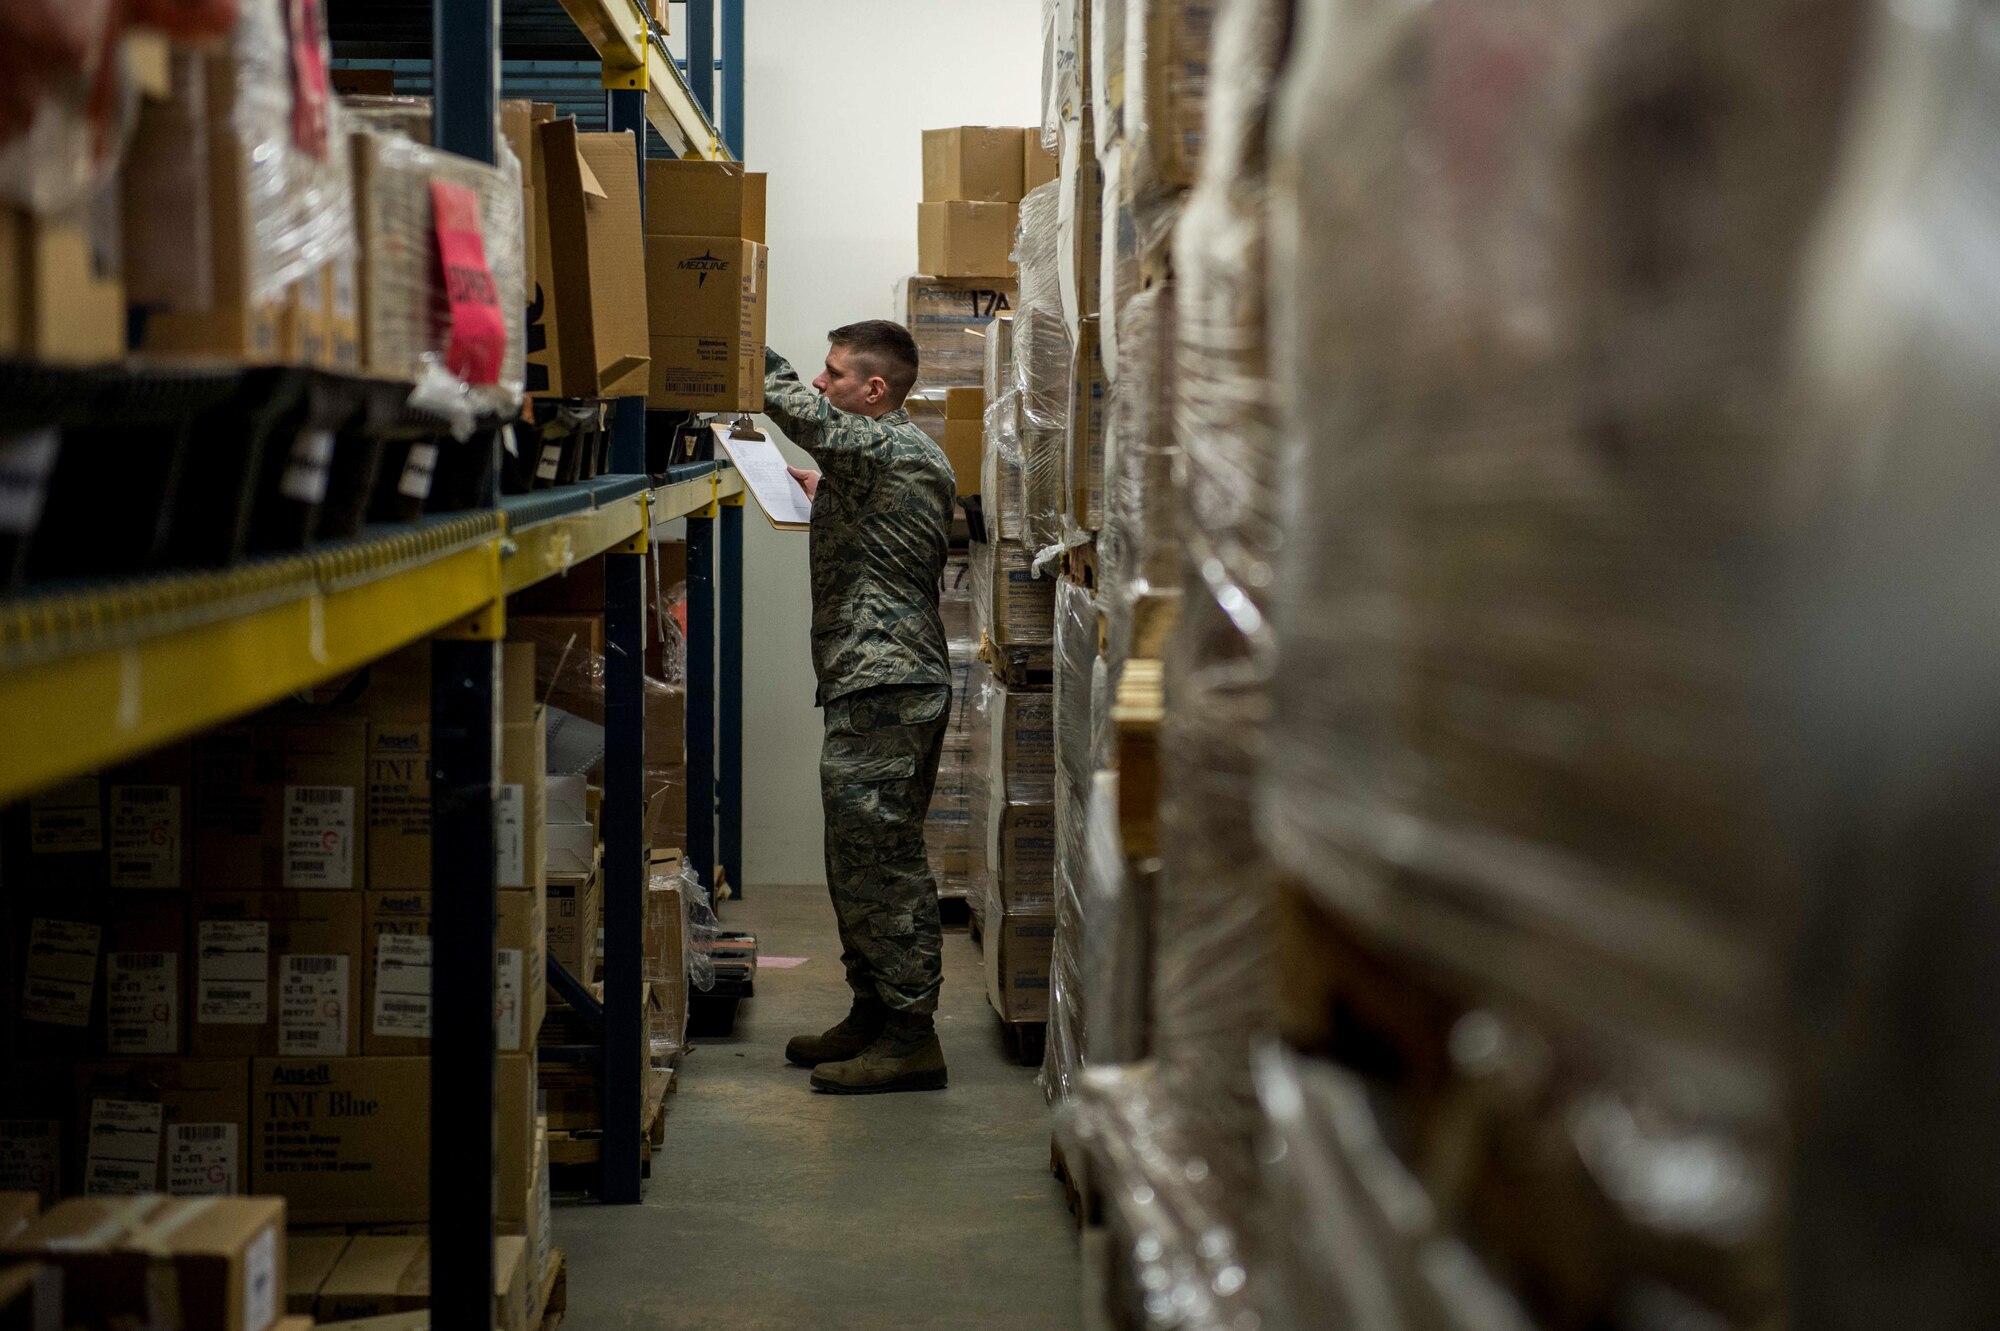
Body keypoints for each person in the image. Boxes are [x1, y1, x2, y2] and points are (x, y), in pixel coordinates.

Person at [760, 321, 957, 1094]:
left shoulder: (893, 450)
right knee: (856, 856)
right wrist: (826, 492)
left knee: (883, 857)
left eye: (834, 373)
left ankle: (912, 1034)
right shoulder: (872, 460)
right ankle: (873, 1011)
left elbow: (795, 410)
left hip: (890, 683)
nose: (820, 382)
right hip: (869, 680)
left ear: (873, 391)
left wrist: (738, 340)